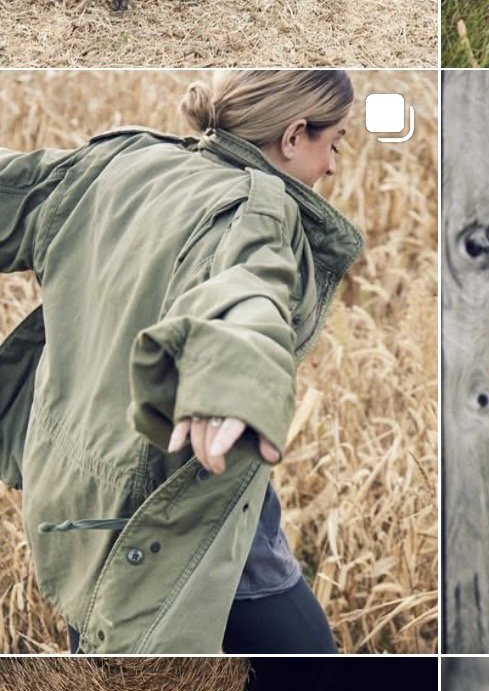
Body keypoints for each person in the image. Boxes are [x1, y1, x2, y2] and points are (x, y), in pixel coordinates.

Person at [0, 68, 363, 654]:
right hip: (167, 498)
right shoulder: (254, 209)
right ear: (294, 135)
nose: (333, 167)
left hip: (74, 492)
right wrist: (230, 388)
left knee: (112, 670)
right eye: (335, 143)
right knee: (311, 664)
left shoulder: (119, 160)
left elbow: (11, 193)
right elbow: (245, 291)